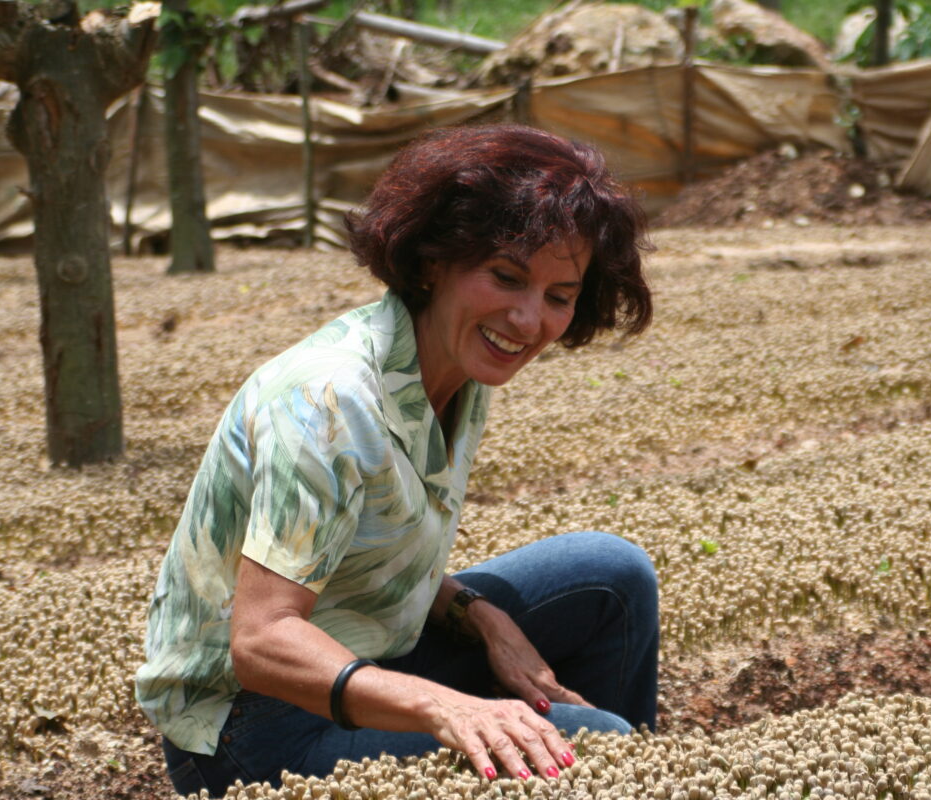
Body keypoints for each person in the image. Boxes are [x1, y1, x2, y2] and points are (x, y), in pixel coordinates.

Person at [135, 123, 658, 798]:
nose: (529, 321)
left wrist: (479, 614)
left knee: (613, 576)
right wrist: (449, 706)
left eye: (559, 296)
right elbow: (262, 642)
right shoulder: (331, 399)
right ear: (435, 260)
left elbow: (357, 562)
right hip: (247, 731)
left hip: (371, 650)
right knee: (596, 744)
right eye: (506, 277)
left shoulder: (459, 367)